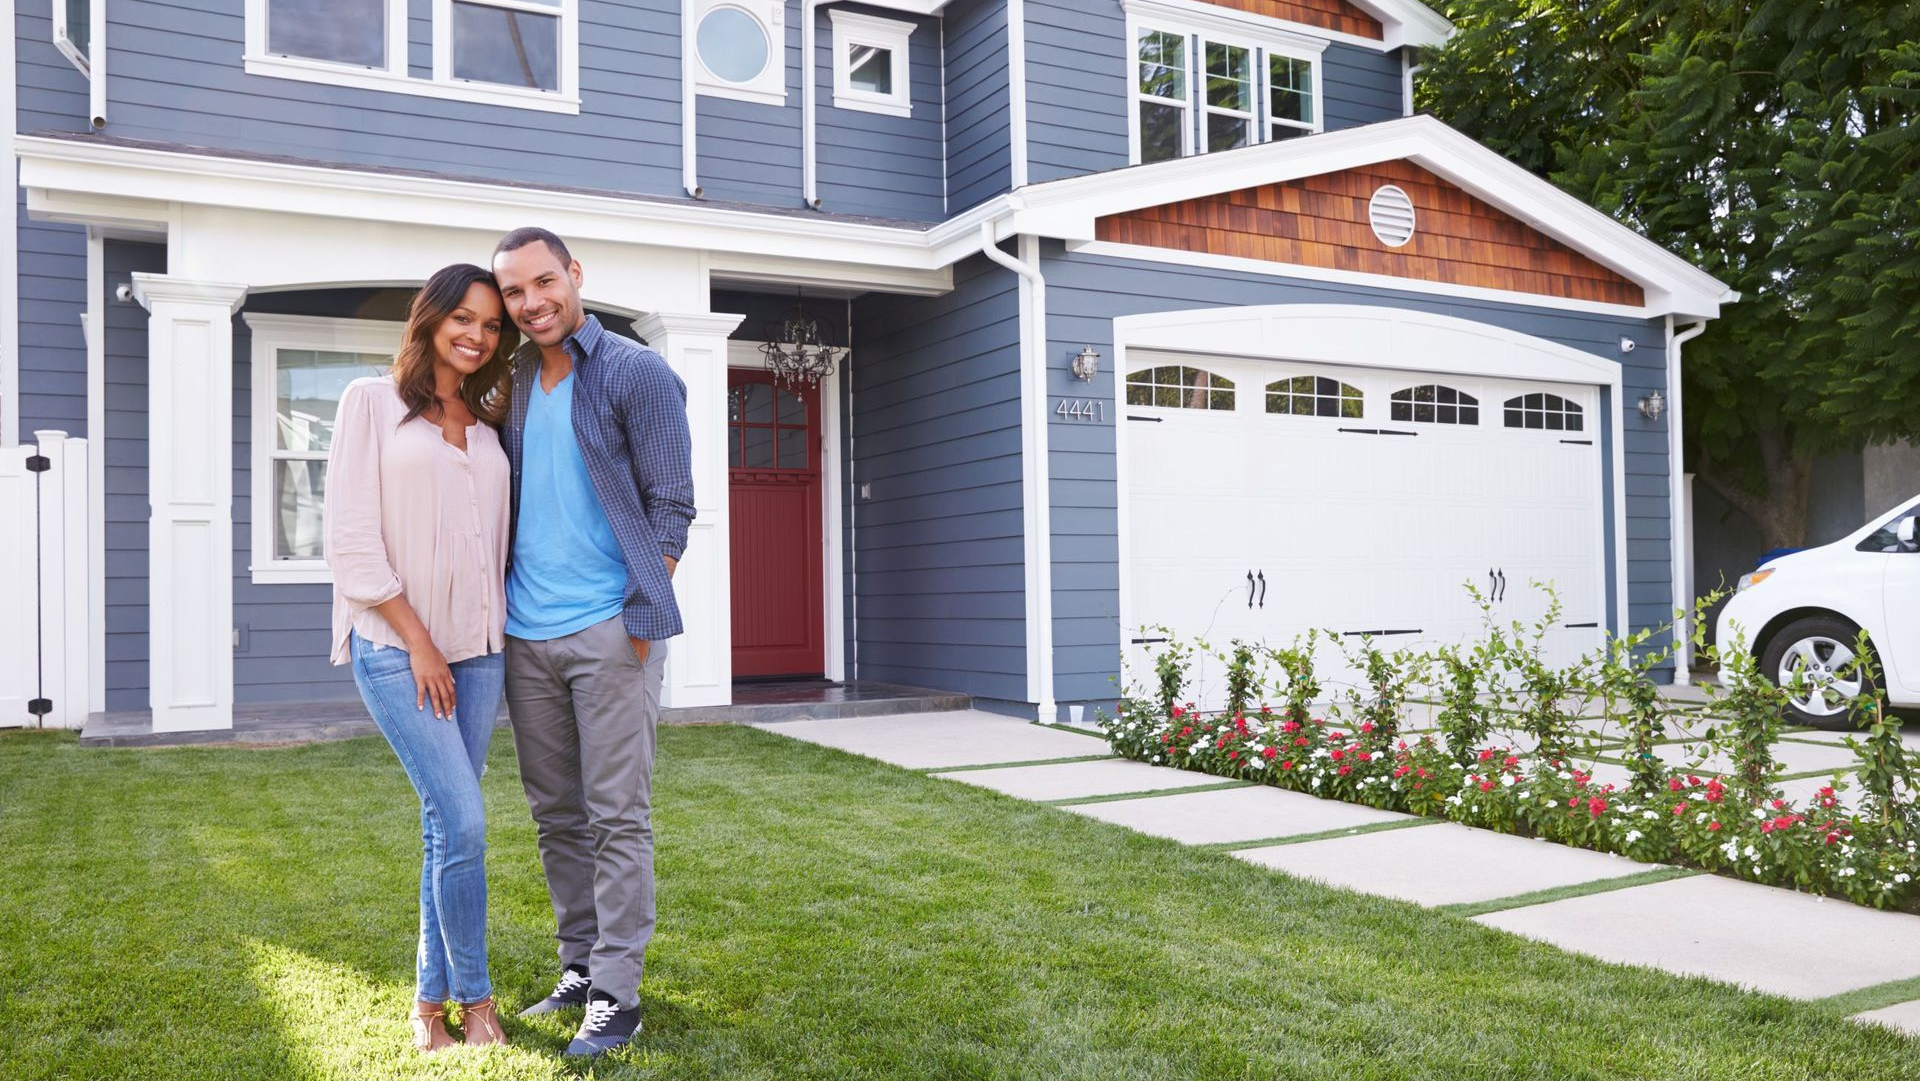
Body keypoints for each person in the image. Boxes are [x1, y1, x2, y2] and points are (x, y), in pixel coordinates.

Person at [491, 227, 694, 1059]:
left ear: (575, 275)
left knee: (617, 815)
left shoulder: (635, 371)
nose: (532, 302)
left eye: (544, 281)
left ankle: (616, 991)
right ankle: (578, 965)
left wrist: (638, 612)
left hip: (609, 629)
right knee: (555, 817)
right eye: (514, 292)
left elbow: (672, 503)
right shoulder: (510, 383)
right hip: (524, 633)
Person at [323, 264, 518, 1053]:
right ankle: (476, 1002)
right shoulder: (370, 403)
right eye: (463, 318)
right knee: (464, 819)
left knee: (448, 828)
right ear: (430, 317)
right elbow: (351, 541)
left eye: (492, 324)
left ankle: (425, 1007)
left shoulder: (490, 421)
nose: (476, 334)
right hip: (399, 651)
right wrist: (419, 640)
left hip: (481, 655)